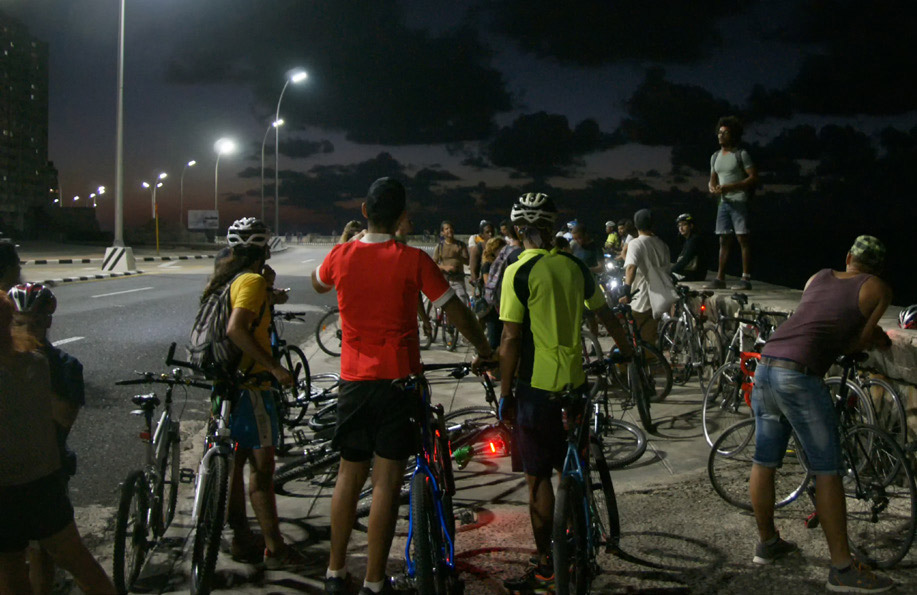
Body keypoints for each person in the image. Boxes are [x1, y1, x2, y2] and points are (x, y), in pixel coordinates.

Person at [311, 178, 497, 595]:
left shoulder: (340, 256)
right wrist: (485, 349)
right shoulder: (412, 260)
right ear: (401, 218)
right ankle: (375, 583)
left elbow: (317, 282)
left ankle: (335, 573)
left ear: (363, 210)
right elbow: (456, 312)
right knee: (386, 483)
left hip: (354, 384)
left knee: (348, 476)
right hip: (396, 385)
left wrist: (346, 243)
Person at [497, 192, 633, 593]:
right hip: (575, 383)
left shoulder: (518, 271)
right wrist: (625, 350)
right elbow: (604, 311)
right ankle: (576, 531)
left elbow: (509, 336)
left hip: (536, 389)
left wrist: (505, 392)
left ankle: (546, 566)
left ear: (522, 230)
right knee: (568, 465)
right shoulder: (575, 266)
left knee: (537, 479)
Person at [748, 235, 894, 593]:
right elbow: (859, 339)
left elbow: (813, 315)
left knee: (765, 461)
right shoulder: (878, 288)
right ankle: (842, 569)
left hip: (767, 364)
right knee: (828, 470)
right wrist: (877, 338)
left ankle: (767, 544)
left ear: (848, 257)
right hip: (798, 375)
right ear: (878, 268)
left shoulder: (817, 276)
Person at [201, 217, 303, 569]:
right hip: (250, 388)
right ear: (264, 250)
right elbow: (236, 329)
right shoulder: (252, 281)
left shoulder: (228, 279)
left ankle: (241, 537)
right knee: (262, 471)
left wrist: (272, 295)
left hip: (225, 384)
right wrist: (274, 368)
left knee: (235, 463)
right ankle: (275, 549)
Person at [0, 293, 116, 594]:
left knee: (14, 568)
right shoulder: (37, 363)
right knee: (76, 559)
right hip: (43, 483)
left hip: (11, 487)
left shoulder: (48, 365)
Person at [7, 284, 86, 593]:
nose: (28, 330)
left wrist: (31, 371)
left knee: (51, 552)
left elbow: (62, 421)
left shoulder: (64, 366)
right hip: (7, 474)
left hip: (46, 473)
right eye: (19, 323)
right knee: (10, 559)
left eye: (36, 322)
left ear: (48, 323)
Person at [707, 115, 758, 290]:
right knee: (723, 239)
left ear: (733, 135)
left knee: (742, 238)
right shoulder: (715, 157)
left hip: (739, 201)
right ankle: (720, 278)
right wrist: (713, 187)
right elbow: (712, 178)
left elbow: (753, 177)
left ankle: (746, 279)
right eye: (719, 132)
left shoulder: (740, 154)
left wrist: (731, 187)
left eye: (725, 133)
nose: (720, 135)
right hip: (723, 203)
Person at [619, 209, 677, 346]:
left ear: (636, 225)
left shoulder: (635, 243)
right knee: (651, 337)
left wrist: (626, 289)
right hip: (660, 299)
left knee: (640, 340)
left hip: (641, 300)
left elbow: (631, 268)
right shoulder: (663, 245)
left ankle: (647, 365)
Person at [432, 220, 470, 305]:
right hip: (444, 280)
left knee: (462, 302)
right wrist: (445, 267)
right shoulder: (440, 246)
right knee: (438, 304)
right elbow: (433, 264)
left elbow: (467, 262)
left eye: (451, 228)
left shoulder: (460, 245)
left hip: (458, 280)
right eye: (446, 229)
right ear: (442, 232)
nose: (449, 230)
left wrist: (459, 256)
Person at [671, 213, 708, 282]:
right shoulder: (688, 240)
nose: (681, 228)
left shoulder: (694, 240)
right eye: (679, 226)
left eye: (684, 225)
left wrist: (670, 270)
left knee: (666, 277)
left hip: (695, 275)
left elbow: (685, 260)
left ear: (691, 226)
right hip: (689, 272)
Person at [468, 220, 495, 287]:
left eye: (492, 232)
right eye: (487, 232)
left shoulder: (498, 247)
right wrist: (477, 285)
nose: (490, 234)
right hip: (483, 285)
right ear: (482, 235)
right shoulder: (478, 249)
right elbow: (473, 270)